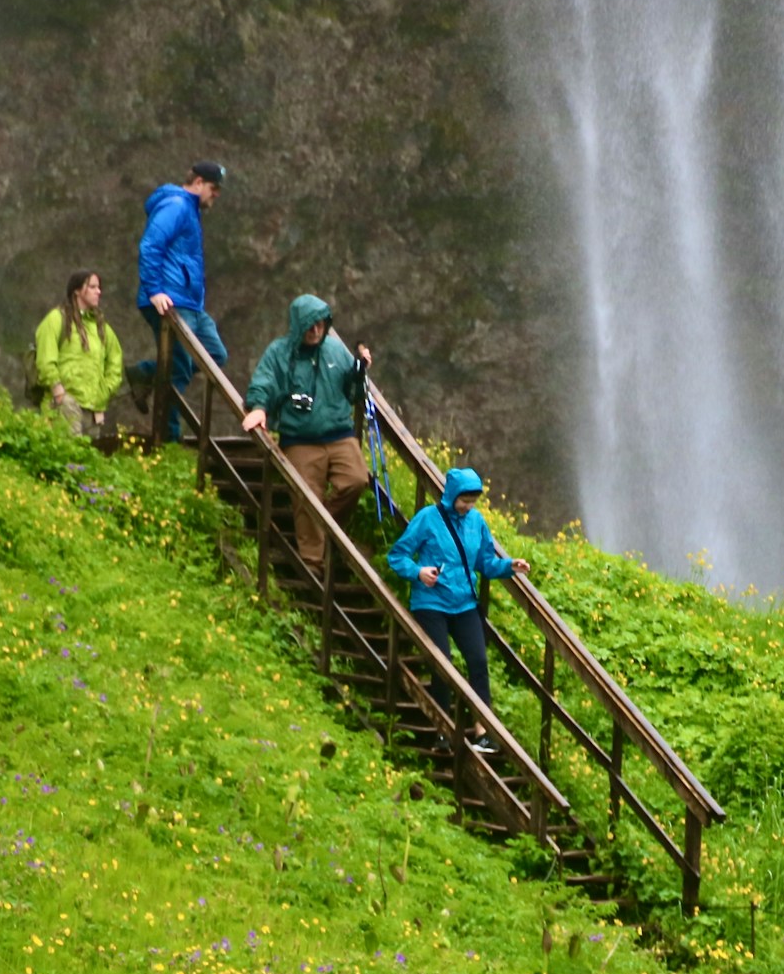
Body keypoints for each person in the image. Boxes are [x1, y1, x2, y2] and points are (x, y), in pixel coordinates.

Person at [385, 467, 528, 753]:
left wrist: (510, 566)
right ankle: (442, 731)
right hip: (431, 602)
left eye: (473, 500)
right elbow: (397, 555)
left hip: (464, 603)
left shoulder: (476, 522)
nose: (468, 506)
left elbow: (485, 562)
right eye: (464, 500)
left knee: (478, 661)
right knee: (442, 664)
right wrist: (418, 572)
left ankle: (483, 732)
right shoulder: (428, 518)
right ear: (451, 495)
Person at [241, 294, 372, 569]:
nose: (315, 330)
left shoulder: (336, 350)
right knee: (306, 495)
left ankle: (324, 528)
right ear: (298, 325)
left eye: (320, 324)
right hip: (299, 438)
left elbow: (353, 392)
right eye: (309, 325)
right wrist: (258, 407)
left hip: (339, 433)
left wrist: (360, 373)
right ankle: (312, 564)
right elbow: (263, 382)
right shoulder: (279, 352)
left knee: (356, 480)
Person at [128, 162, 227, 441]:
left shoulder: (190, 211)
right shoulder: (176, 206)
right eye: (213, 187)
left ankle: (146, 372)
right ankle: (169, 437)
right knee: (180, 367)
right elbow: (151, 244)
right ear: (197, 182)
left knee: (215, 354)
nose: (216, 194)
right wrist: (154, 290)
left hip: (190, 303)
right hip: (169, 300)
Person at [35, 270, 123, 441]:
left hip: (93, 408)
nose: (99, 291)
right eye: (92, 287)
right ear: (77, 290)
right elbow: (45, 358)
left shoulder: (101, 326)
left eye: (99, 287)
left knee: (87, 461)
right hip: (64, 404)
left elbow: (115, 361)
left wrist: (105, 391)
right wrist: (59, 392)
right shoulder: (56, 319)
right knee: (69, 459)